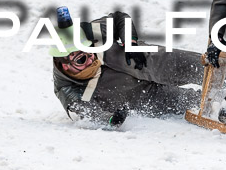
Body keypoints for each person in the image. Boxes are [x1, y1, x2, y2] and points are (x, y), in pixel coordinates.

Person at [50, 8, 203, 127]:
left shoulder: (91, 31)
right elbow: (86, 114)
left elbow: (118, 18)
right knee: (185, 102)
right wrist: (111, 119)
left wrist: (130, 42)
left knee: (172, 62)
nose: (91, 57)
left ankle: (220, 74)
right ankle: (211, 103)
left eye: (90, 49)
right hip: (140, 96)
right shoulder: (68, 91)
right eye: (82, 58)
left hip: (139, 60)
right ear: (64, 65)